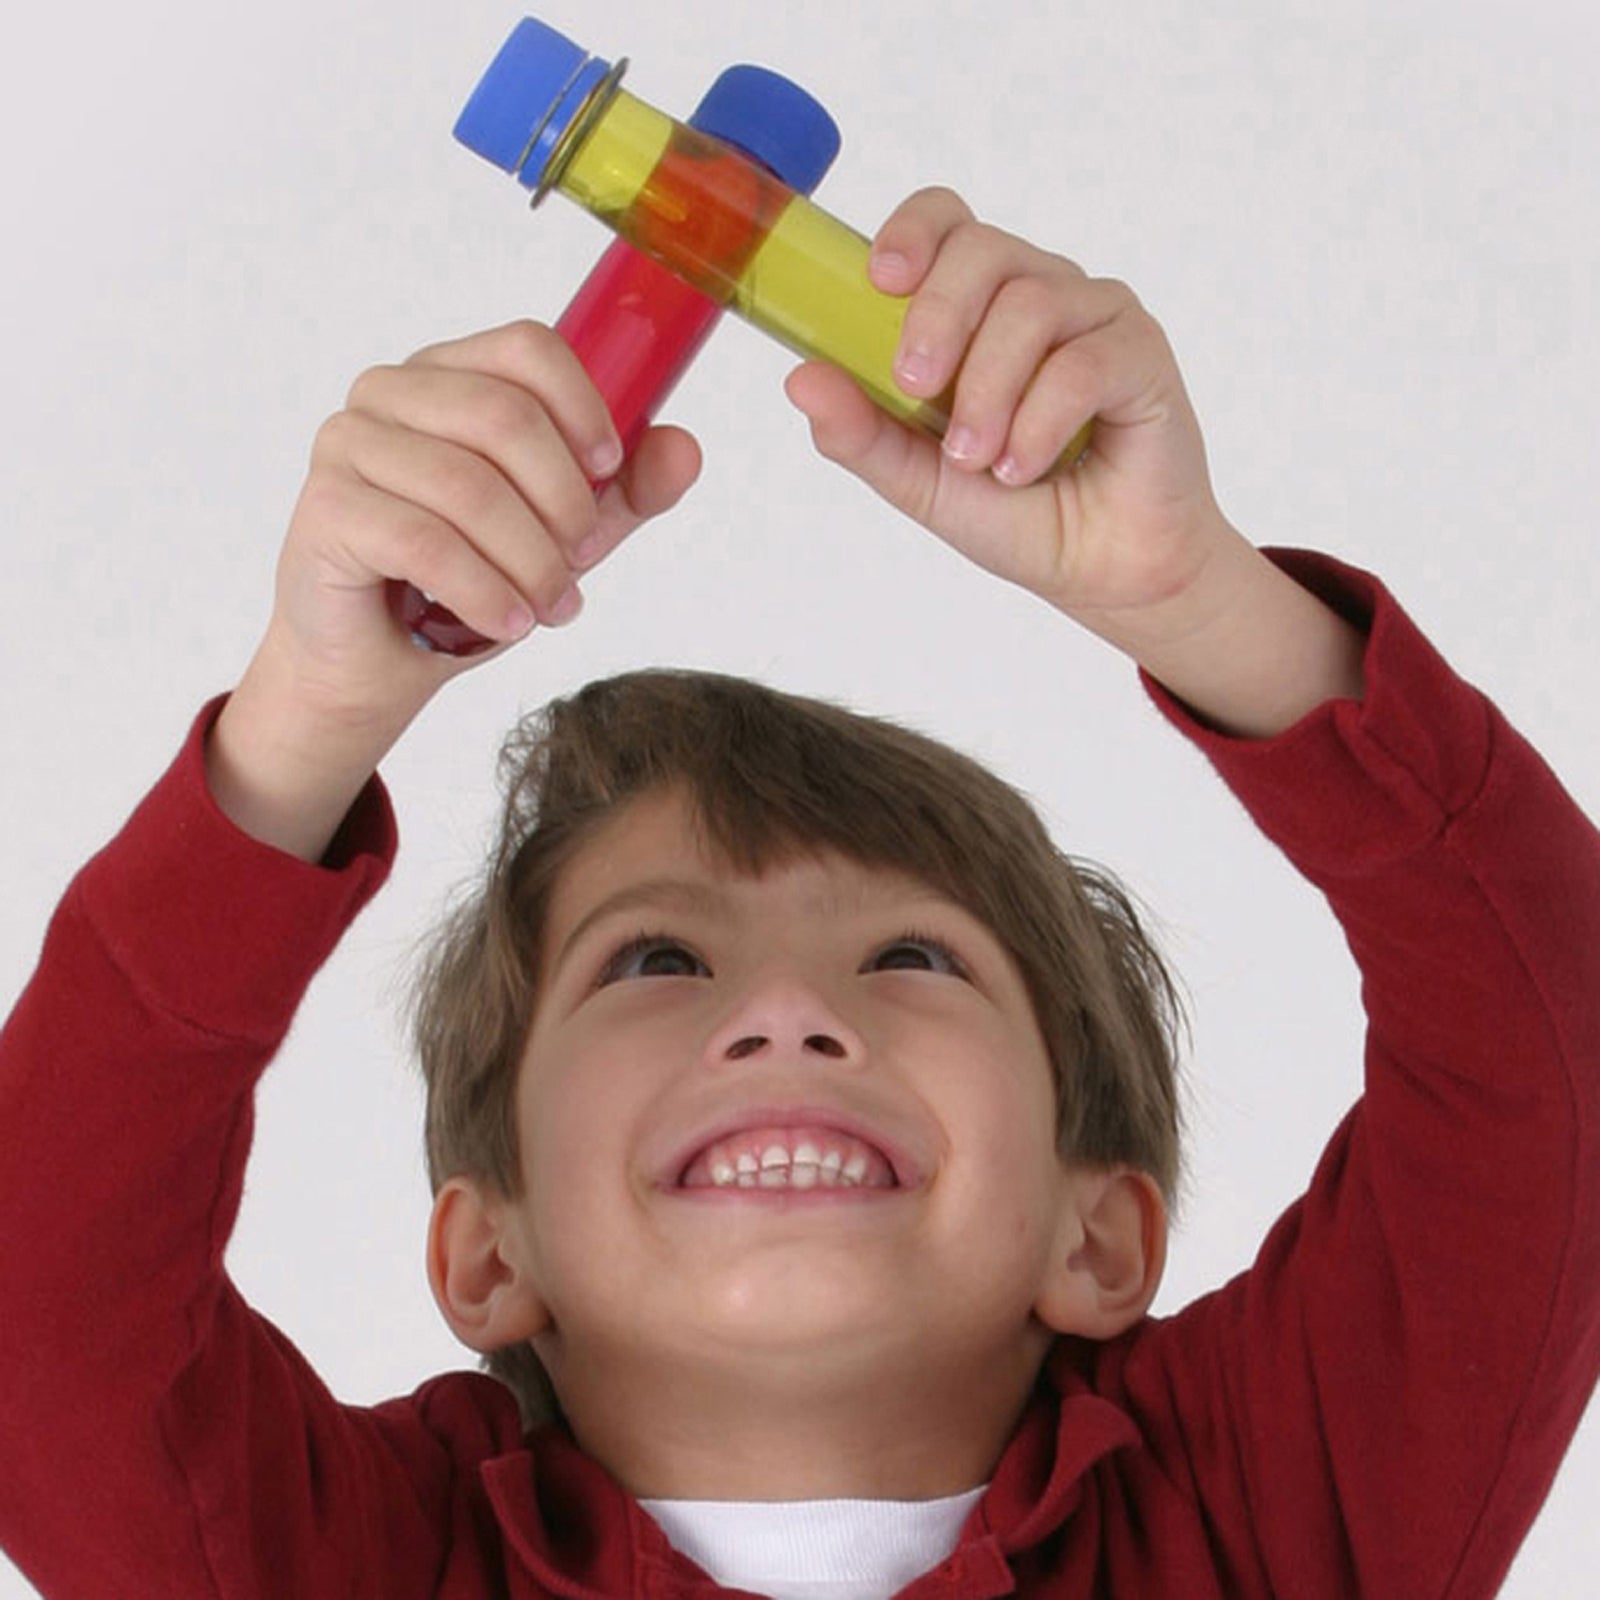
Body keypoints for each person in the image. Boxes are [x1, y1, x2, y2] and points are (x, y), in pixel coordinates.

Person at [1, 187, 1596, 1599]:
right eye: (655, 962)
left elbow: (1548, 1066)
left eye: (912, 956)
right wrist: (302, 723)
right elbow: (40, 1306)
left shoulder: (1262, 1525)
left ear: (1099, 1238)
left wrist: (1199, 599)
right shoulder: (359, 1568)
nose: (784, 1016)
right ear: (494, 1257)